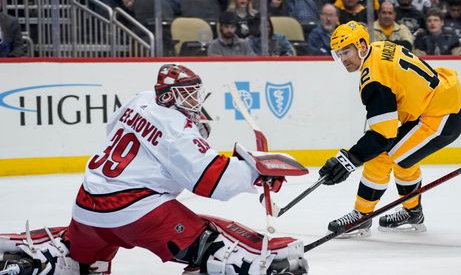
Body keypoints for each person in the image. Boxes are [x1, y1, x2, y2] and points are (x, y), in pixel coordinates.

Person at [0, 64, 308, 275]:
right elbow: (213, 182)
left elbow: (115, 130)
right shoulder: (177, 130)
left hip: (87, 207)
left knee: (80, 255)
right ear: (170, 95)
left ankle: (46, 260)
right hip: (137, 214)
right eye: (187, 93)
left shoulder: (140, 100)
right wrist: (255, 172)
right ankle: (249, 266)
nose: (195, 100)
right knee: (207, 244)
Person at [320, 21, 461, 237]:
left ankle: (361, 216)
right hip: (442, 102)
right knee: (404, 156)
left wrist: (350, 159)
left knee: (382, 157)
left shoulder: (374, 79)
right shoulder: (380, 48)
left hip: (442, 115)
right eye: (338, 54)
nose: (343, 59)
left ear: (362, 46)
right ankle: (412, 211)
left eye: (346, 52)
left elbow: (383, 136)